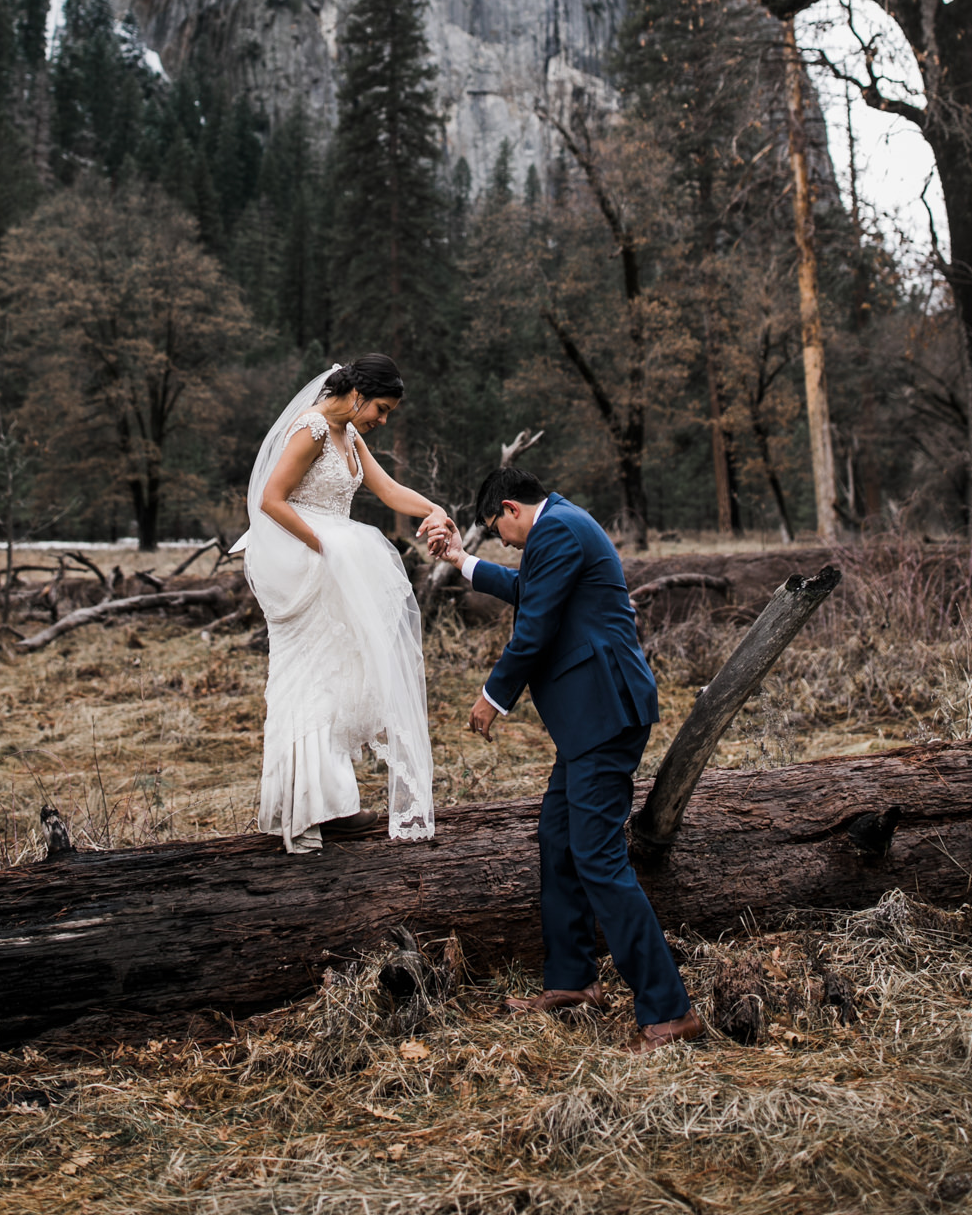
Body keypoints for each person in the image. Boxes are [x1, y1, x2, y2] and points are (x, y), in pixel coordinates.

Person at [428, 465, 703, 1051]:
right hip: (592, 721)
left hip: (604, 716)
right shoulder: (563, 525)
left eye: (495, 529)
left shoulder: (556, 531)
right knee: (558, 839)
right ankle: (574, 981)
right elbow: (531, 591)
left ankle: (668, 1011)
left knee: (600, 860)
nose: (502, 541)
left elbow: (535, 626)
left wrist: (492, 696)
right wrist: (459, 560)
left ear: (510, 507)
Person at [235, 356, 446, 854]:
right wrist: (326, 548)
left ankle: (321, 804)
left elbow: (388, 490)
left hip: (330, 565)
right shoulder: (310, 429)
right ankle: (313, 808)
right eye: (381, 408)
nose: (382, 419)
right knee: (310, 680)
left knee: (333, 677)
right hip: (306, 567)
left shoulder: (350, 435)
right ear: (356, 394)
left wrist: (434, 509)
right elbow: (272, 499)